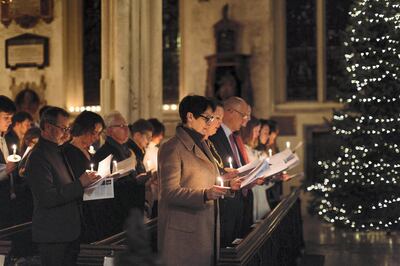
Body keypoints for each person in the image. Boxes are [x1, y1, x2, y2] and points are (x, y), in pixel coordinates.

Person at [158, 95, 238, 266]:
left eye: (211, 118)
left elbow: (206, 179)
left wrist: (229, 186)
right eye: (206, 118)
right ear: (190, 117)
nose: (210, 123)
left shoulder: (204, 144)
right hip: (184, 232)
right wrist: (205, 195)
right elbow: (169, 192)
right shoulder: (172, 147)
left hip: (204, 227)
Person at [25, 107, 100, 266]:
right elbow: (47, 197)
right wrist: (80, 183)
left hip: (68, 231)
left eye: (68, 128)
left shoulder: (59, 151)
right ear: (47, 127)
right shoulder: (38, 156)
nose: (67, 133)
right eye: (63, 129)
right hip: (53, 234)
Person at [209, 96, 252, 247]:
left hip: (239, 198)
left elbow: (239, 165)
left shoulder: (233, 137)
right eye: (243, 115)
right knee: (227, 248)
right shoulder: (215, 136)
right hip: (225, 203)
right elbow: (215, 169)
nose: (245, 120)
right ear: (231, 112)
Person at [62, 111, 105, 243]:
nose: (97, 138)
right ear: (83, 129)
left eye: (99, 133)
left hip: (93, 207)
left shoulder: (87, 151)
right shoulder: (67, 151)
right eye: (94, 133)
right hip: (79, 210)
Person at [126, 119, 154, 216]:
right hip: (131, 205)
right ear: (137, 135)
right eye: (148, 138)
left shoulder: (139, 152)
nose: (149, 142)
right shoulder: (129, 152)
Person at [0, 95, 16, 229]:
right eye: (6, 117)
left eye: (11, 117)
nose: (10, 122)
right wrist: (6, 171)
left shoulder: (4, 139)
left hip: (7, 201)